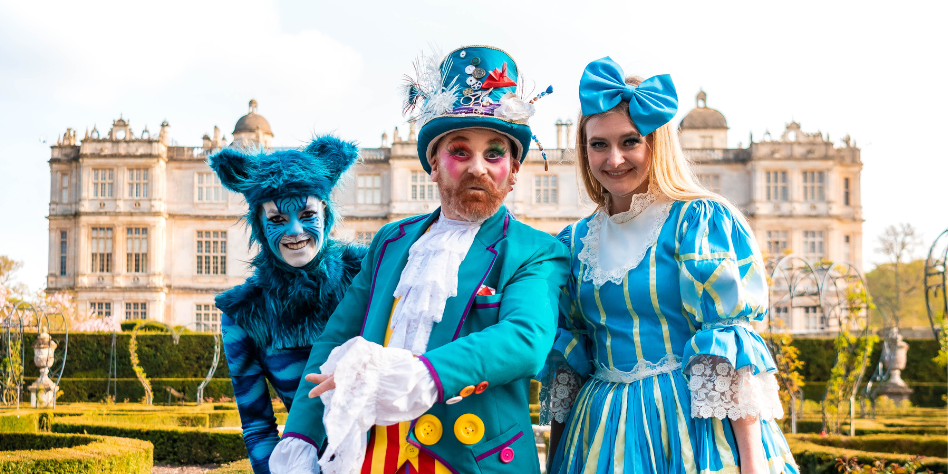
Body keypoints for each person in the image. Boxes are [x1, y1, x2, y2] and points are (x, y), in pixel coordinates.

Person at [270, 45, 569, 474]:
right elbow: (336, 338)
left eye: (494, 154)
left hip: (472, 459)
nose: (478, 168)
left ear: (515, 169)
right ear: (433, 164)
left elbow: (524, 340)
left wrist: (417, 374)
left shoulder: (536, 250)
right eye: (460, 151)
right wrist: (300, 436)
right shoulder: (393, 239)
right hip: (372, 458)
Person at [541, 57, 798, 474]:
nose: (614, 159)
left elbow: (728, 344)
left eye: (630, 141)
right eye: (599, 144)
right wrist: (554, 462)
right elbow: (569, 363)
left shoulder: (699, 221)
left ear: (656, 144)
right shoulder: (573, 242)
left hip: (689, 428)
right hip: (597, 432)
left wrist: (751, 465)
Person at [210, 136, 367, 474]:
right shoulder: (245, 313)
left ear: (325, 212)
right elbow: (257, 427)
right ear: (259, 225)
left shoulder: (368, 273)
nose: (295, 231)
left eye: (307, 214)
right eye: (278, 219)